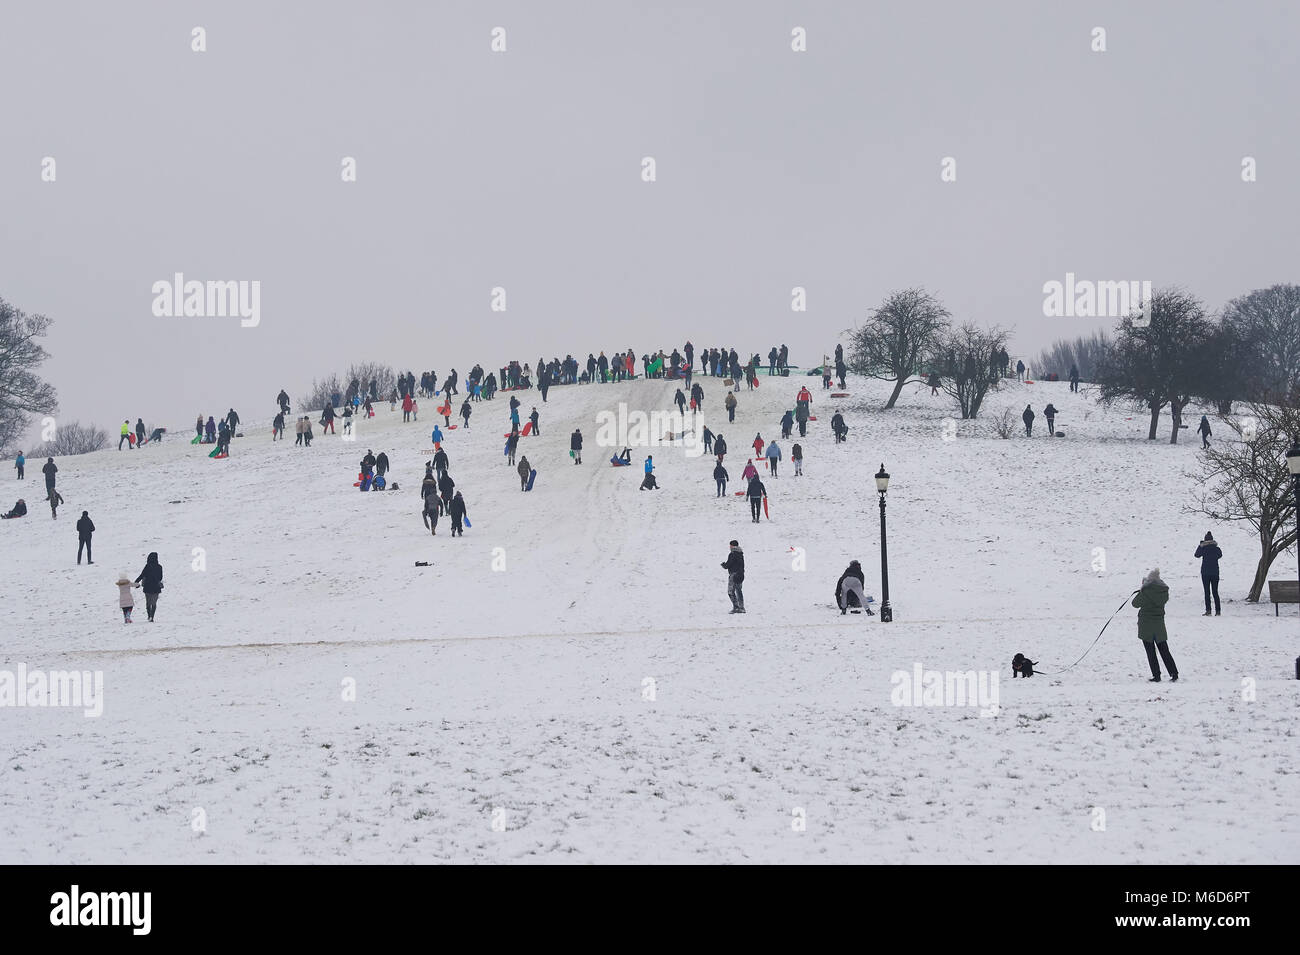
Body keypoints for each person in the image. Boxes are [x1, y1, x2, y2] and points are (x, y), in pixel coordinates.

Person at [1133, 568, 1178, 682]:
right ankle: (1174, 673)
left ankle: (1156, 675)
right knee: (1164, 650)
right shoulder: (1163, 592)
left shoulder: (1146, 592)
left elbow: (1135, 603)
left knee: (1151, 652)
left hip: (1146, 626)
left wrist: (1142, 590)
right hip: (1159, 626)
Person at [1195, 532, 1222, 616]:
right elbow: (1220, 555)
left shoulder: (1203, 548)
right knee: (1215, 592)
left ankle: (1208, 610)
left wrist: (1200, 545)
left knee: (1207, 592)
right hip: (1215, 572)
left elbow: (1196, 555)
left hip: (1205, 572)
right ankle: (1218, 611)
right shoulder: (1217, 548)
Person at [135, 552, 163, 623]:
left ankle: (149, 615)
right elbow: (160, 577)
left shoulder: (147, 566)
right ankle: (152, 617)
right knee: (154, 603)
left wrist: (136, 581)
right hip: (156, 587)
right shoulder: (159, 567)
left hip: (147, 587)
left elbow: (142, 575)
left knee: (148, 602)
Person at [722, 540, 745, 613]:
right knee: (739, 591)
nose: (729, 547)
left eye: (730, 545)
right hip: (741, 574)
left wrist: (724, 565)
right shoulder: (740, 554)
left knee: (730, 591)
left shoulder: (732, 554)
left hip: (734, 575)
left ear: (732, 546)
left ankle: (736, 607)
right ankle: (741, 607)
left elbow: (728, 565)